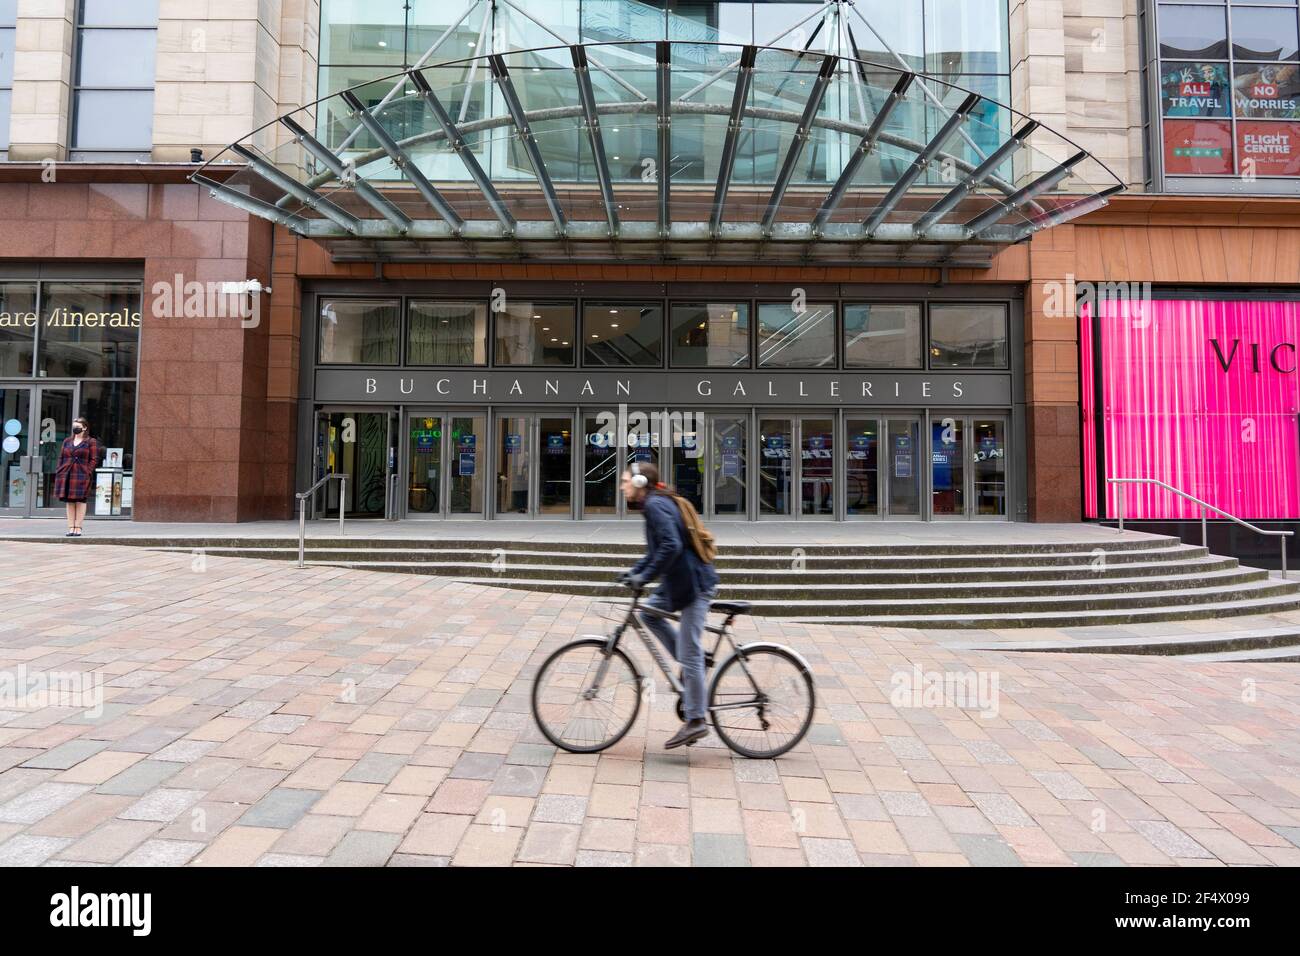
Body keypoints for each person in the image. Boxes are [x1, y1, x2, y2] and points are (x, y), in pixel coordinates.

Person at [617, 461, 720, 750]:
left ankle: (697, 719)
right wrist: (634, 572)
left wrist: (644, 576)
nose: (622, 486)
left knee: (689, 654)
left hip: (694, 584)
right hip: (678, 581)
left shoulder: (655, 506)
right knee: (648, 615)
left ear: (639, 483)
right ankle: (693, 664)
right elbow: (656, 550)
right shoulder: (656, 504)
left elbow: (671, 546)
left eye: (625, 481)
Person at [54, 417, 101, 537]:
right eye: (74, 426)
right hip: (67, 473)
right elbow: (61, 457)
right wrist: (59, 470)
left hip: (81, 473)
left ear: (84, 427)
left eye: (78, 426)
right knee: (69, 501)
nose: (75, 428)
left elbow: (94, 459)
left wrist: (87, 471)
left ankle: (78, 527)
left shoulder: (91, 441)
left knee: (80, 500)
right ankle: (71, 527)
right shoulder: (67, 441)